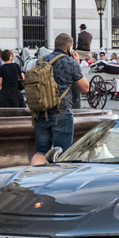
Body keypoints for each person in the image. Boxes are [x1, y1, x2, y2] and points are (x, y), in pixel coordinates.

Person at [30, 33, 90, 166]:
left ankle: (33, 178)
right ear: (69, 47)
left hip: (41, 112)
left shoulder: (40, 60)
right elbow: (85, 88)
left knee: (40, 151)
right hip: (62, 113)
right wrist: (77, 65)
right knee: (64, 153)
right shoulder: (70, 63)